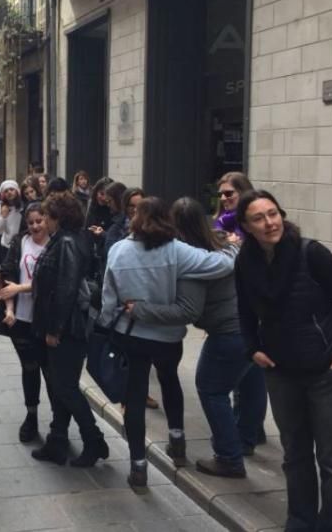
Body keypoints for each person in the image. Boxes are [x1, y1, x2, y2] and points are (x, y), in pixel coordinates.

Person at [235, 189, 332, 531]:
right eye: (259, 218)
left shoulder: (312, 253)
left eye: (273, 214)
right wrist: (252, 349)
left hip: (326, 372)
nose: (269, 223)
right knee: (295, 455)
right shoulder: (245, 262)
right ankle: (301, 521)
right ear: (246, 227)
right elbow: (245, 310)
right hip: (280, 371)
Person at [102, 197, 235, 487]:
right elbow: (223, 265)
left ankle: (138, 465)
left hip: (131, 334)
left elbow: (108, 296)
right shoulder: (179, 251)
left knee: (134, 397)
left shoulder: (118, 250)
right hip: (168, 336)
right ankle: (177, 441)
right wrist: (234, 246)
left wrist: (106, 323)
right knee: (169, 380)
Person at [152, 198, 265, 479]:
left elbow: (189, 309)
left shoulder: (193, 261)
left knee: (211, 389)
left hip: (228, 333)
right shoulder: (224, 244)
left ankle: (229, 457)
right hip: (254, 328)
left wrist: (143, 310)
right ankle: (245, 440)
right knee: (251, 383)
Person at [28, 192, 107, 467]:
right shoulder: (66, 240)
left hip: (68, 329)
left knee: (66, 388)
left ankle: (94, 440)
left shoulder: (69, 243)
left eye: (47, 217)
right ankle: (57, 441)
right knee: (61, 387)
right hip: (64, 327)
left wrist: (55, 329)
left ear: (57, 218)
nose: (45, 222)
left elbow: (66, 289)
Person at [0, 202, 52, 443]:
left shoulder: (57, 244)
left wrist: (22, 287)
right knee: (29, 368)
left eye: (40, 221)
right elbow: (7, 273)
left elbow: (52, 281)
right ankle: (31, 415)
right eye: (31, 222)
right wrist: (9, 307)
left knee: (50, 370)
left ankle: (59, 422)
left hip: (46, 319)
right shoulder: (20, 242)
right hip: (21, 318)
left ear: (48, 220)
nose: (36, 226)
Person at [213, 172, 254, 242]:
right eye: (220, 194)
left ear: (243, 192)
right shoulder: (221, 221)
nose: (222, 198)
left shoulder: (255, 221)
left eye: (228, 193)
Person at [0, 180, 23, 260]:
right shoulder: (0, 208)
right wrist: (3, 217)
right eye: (6, 191)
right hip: (7, 247)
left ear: (17, 191)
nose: (9, 192)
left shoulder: (23, 206)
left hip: (22, 245)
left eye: (12, 189)